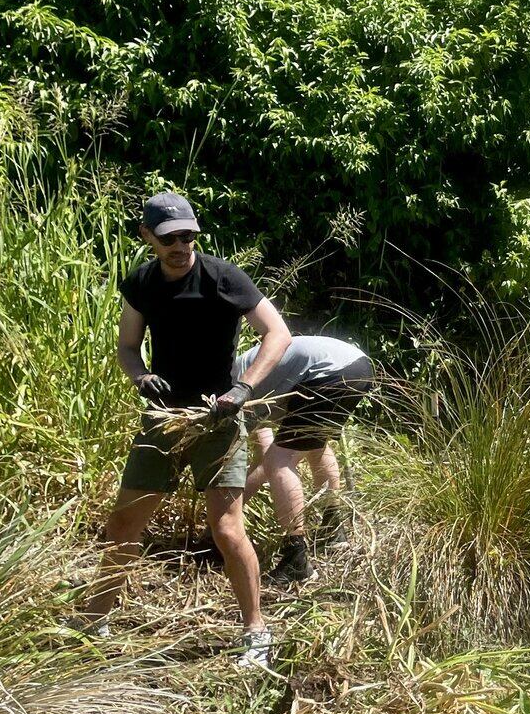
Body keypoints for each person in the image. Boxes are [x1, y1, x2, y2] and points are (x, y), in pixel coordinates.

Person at [81, 193, 291, 668]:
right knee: (123, 523)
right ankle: (95, 618)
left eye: (188, 236)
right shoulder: (141, 283)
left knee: (226, 527)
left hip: (217, 417)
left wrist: (242, 389)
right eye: (169, 237)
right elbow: (128, 347)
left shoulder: (223, 278)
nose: (180, 245)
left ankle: (256, 632)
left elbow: (277, 334)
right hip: (163, 419)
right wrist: (140, 377)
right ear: (147, 237)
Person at [234, 334, 373, 583]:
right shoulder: (242, 373)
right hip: (357, 365)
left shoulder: (234, 390)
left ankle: (296, 559)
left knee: (279, 459)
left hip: (328, 373)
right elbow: (262, 450)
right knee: (314, 447)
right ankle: (333, 529)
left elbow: (266, 462)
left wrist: (225, 516)